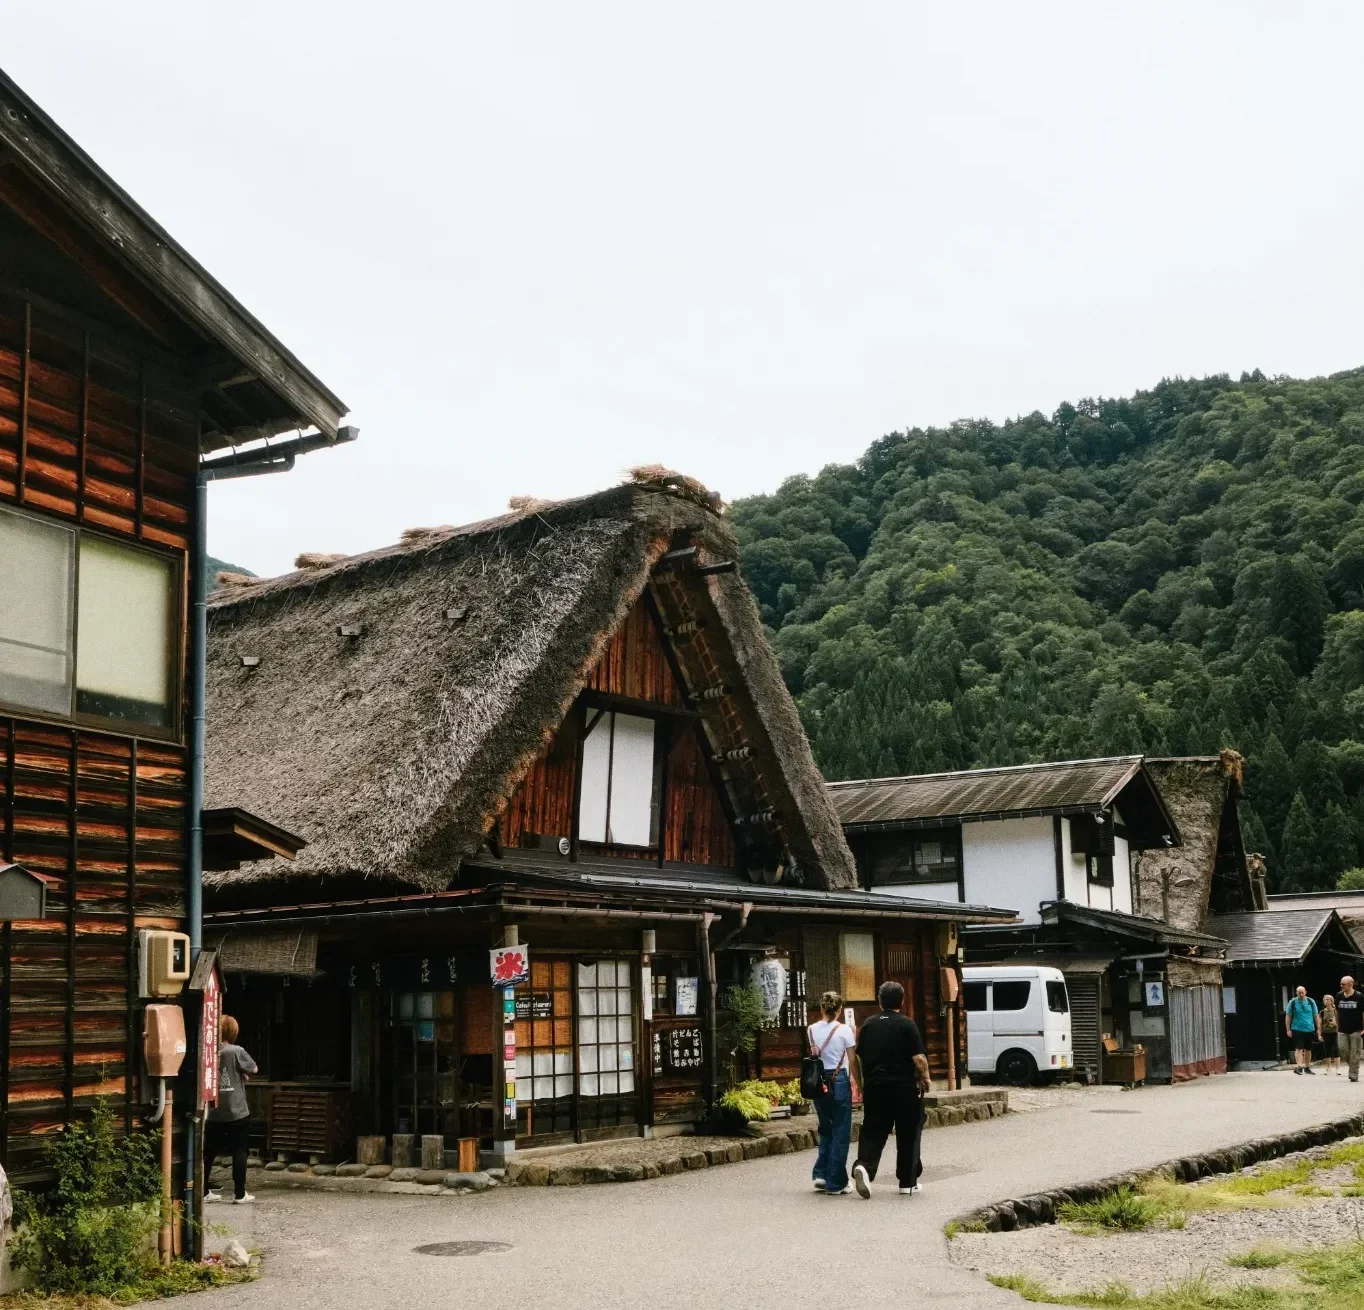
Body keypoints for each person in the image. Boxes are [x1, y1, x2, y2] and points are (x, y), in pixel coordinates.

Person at [851, 980, 930, 1199]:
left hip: (876, 1087)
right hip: (903, 1088)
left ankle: (865, 1167)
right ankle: (908, 1181)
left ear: (879, 1001)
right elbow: (919, 1058)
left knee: (873, 1132)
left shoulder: (868, 1025)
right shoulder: (907, 1024)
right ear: (902, 1001)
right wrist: (925, 1078)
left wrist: (862, 1084)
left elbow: (858, 1057)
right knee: (908, 1133)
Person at [806, 990, 856, 1196]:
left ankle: (821, 1174)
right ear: (839, 1010)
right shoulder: (844, 1030)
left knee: (826, 1126)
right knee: (841, 1130)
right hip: (839, 1079)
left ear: (821, 1008)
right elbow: (852, 1060)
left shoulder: (811, 1030)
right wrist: (859, 1084)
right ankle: (837, 1182)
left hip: (818, 1082)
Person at [205, 1015, 259, 1203]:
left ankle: (203, 1191)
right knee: (239, 1151)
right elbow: (254, 1069)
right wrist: (241, 1072)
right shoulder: (236, 1051)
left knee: (208, 1152)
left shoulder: (208, 1051)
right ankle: (239, 1193)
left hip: (213, 1109)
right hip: (236, 1110)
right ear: (233, 1032)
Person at [1284, 985, 1320, 1075]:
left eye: (1302, 992)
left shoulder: (1311, 1002)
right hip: (1297, 1028)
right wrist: (1288, 1029)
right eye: (1299, 993)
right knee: (1299, 1048)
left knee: (1308, 1049)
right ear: (1296, 993)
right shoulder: (1293, 1002)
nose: (1300, 994)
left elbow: (1316, 1015)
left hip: (1310, 1028)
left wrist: (1318, 1028)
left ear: (1305, 992)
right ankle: (1299, 1066)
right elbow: (1288, 1016)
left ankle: (1307, 1067)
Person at [1336, 976, 1364, 1082]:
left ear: (1350, 984)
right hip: (1342, 1029)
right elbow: (1337, 1011)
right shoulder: (1339, 995)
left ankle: (1353, 1074)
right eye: (1341, 984)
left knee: (1355, 1053)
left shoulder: (1359, 996)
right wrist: (1337, 1025)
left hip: (1356, 1029)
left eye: (1343, 984)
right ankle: (1354, 1066)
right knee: (1343, 1050)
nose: (1341, 986)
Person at [1321, 993, 1340, 1075]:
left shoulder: (1335, 1011)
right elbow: (1320, 1024)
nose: (1326, 1001)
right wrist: (1319, 1034)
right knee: (1327, 1050)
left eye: (1328, 999)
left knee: (1336, 1049)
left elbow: (1339, 1023)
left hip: (1335, 1032)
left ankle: (1337, 1068)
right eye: (1325, 1000)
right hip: (1326, 1033)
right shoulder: (1322, 1012)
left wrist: (1334, 1024)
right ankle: (1328, 1067)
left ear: (1332, 1001)